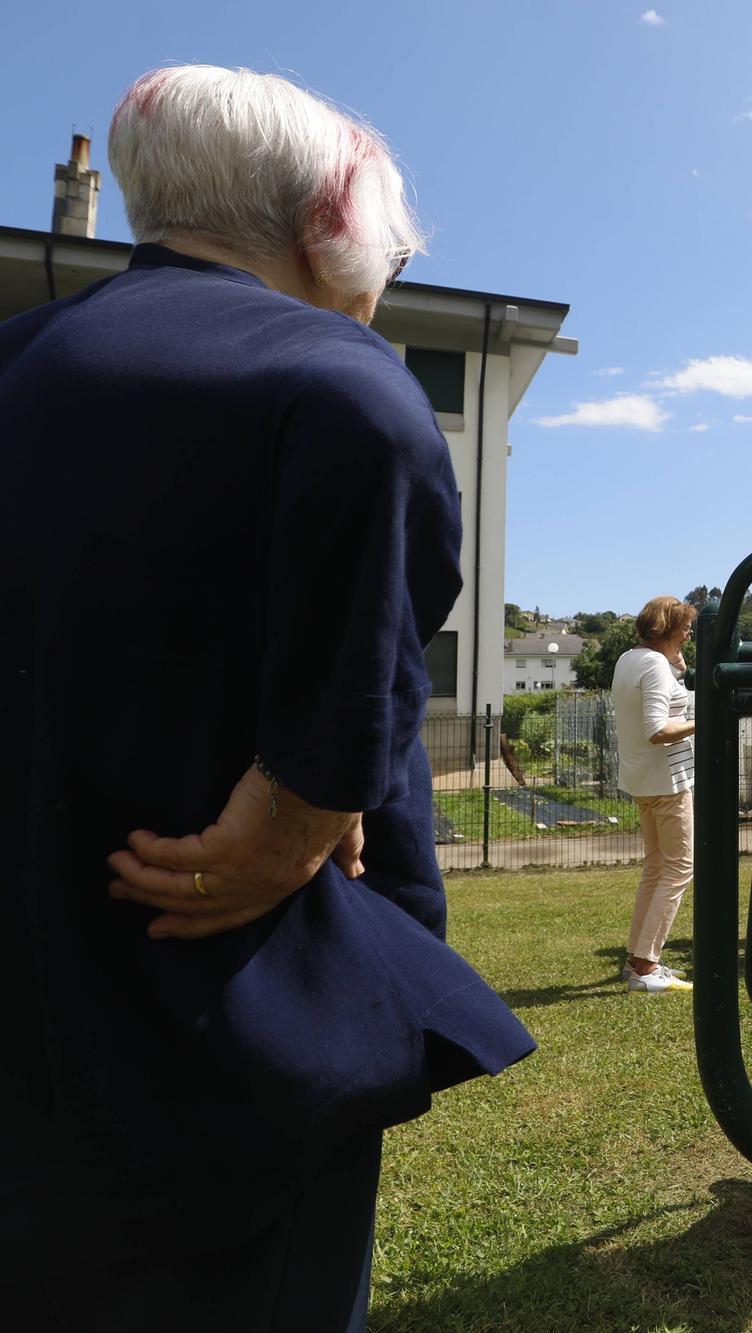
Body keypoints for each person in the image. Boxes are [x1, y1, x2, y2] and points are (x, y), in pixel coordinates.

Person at [0, 66, 535, 1328]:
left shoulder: (15, 365)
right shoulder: (334, 383)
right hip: (223, 993)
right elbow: (341, 717)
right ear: (327, 218)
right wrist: (303, 808)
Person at [612, 595, 698, 994]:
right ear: (666, 628)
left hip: (643, 780)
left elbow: (658, 703)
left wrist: (676, 666)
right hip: (668, 782)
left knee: (656, 868)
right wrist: (705, 720)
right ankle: (647, 966)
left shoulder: (631, 659)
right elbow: (658, 729)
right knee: (679, 868)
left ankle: (638, 959)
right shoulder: (655, 667)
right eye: (684, 626)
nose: (689, 632)